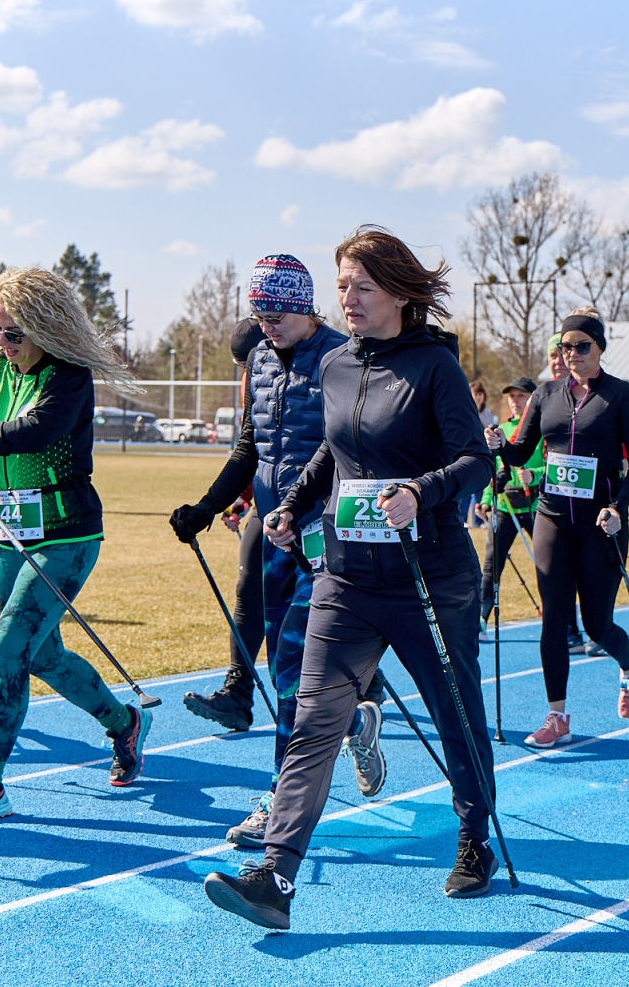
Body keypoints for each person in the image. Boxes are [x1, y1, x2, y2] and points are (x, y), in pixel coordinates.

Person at [204, 225, 499, 926]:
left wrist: (422, 492)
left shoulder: (434, 367)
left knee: (454, 713)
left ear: (399, 294)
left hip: (430, 576)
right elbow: (334, 458)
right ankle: (274, 878)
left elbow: (473, 459)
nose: (349, 298)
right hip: (348, 578)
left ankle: (474, 837)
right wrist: (291, 508)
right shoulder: (337, 365)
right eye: (342, 286)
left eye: (361, 286)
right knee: (312, 723)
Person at [170, 254, 387, 847]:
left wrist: (310, 508)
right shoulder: (261, 360)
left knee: (293, 668)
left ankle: (278, 801)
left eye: (274, 312)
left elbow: (352, 451)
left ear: (302, 305)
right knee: (281, 660)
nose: (264, 324)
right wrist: (208, 506)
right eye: (257, 313)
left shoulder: (344, 357)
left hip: (329, 535)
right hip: (272, 533)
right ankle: (357, 713)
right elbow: (250, 447)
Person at [0, 267, 152, 823]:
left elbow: (34, 432)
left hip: (66, 533)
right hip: (10, 528)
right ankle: (123, 723)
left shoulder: (68, 376)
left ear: (46, 328)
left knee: (6, 651)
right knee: (41, 654)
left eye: (14, 334)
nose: (4, 345)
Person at [486, 307, 629, 749]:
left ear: (599, 348)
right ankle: (557, 716)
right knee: (554, 620)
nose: (572, 354)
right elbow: (521, 454)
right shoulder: (545, 394)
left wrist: (618, 506)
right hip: (553, 518)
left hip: (601, 522)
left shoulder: (620, 395)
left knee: (597, 625)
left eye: (582, 346)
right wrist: (500, 447)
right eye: (565, 346)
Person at [183, 317, 270, 731]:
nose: (246, 376)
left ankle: (365, 678)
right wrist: (216, 505)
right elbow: (250, 452)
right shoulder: (256, 388)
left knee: (316, 604)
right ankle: (238, 693)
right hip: (268, 502)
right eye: (243, 367)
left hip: (315, 503)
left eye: (248, 365)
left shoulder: (316, 369)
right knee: (248, 589)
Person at [477, 376, 544, 625]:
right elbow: (493, 469)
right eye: (511, 396)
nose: (515, 401)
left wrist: (534, 475)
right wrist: (486, 499)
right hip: (505, 506)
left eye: (521, 396)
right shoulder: (500, 430)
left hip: (536, 506)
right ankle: (482, 618)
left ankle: (562, 618)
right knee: (492, 565)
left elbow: (552, 465)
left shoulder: (542, 428)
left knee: (550, 564)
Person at [543, 333, 589, 656]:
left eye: (564, 352)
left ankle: (593, 626)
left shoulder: (599, 394)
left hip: (589, 506)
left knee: (584, 577)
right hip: (547, 502)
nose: (559, 360)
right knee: (554, 576)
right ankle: (568, 629)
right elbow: (524, 443)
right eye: (554, 355)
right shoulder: (543, 395)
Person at [467, 380, 496, 527]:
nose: (478, 397)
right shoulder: (466, 410)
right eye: (475, 394)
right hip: (467, 453)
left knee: (479, 489)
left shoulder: (486, 413)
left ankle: (479, 520)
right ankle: (463, 519)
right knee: (466, 491)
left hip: (482, 452)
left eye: (480, 394)